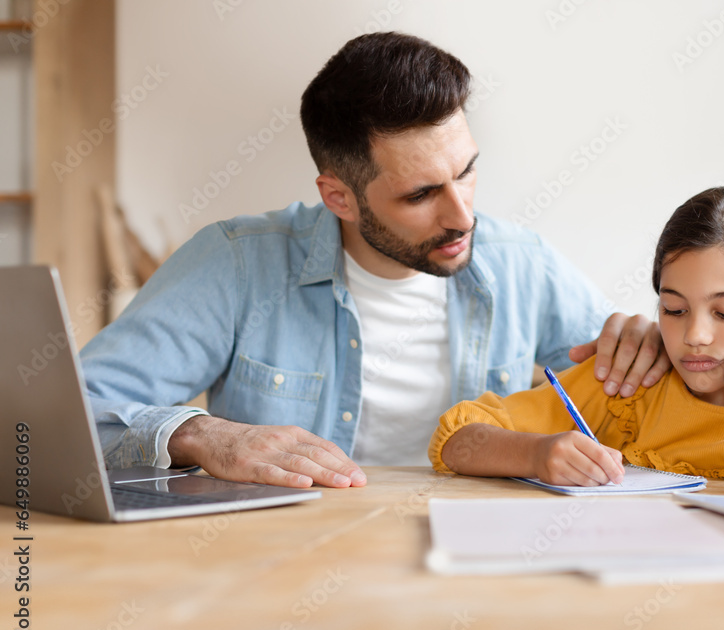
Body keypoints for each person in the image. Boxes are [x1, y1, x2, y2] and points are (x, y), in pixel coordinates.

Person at [79, 32, 669, 490]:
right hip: (291, 562)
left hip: (484, 559)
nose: (463, 216)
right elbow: (56, 418)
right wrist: (198, 433)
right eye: (420, 194)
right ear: (338, 196)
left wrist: (654, 351)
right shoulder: (238, 264)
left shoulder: (523, 266)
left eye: (465, 171)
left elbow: (653, 402)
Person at [429, 184, 724, 496]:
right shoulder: (626, 387)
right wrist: (534, 454)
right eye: (674, 309)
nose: (695, 336)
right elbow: (455, 438)